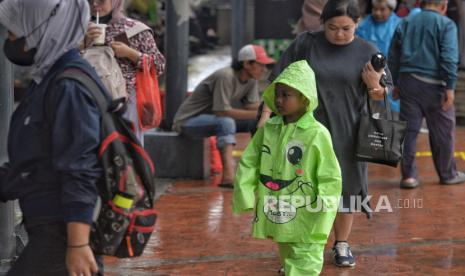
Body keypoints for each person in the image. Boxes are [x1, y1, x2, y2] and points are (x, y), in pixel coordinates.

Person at [266, 0, 392, 268]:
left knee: (346, 188)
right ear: (322, 23)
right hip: (305, 130)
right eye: (332, 27)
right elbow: (280, 79)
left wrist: (373, 85)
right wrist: (269, 116)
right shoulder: (305, 44)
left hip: (348, 131)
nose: (339, 34)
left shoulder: (367, 51)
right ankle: (302, 249)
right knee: (302, 187)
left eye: (346, 28)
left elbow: (383, 97)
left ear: (357, 24)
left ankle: (342, 243)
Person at [0, 0, 105, 275]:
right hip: (52, 231)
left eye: (14, 31)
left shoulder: (68, 86)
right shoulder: (48, 80)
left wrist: (78, 245)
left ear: (40, 28)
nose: (9, 39)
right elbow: (35, 161)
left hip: (62, 236)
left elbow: (81, 168)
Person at [233, 60, 342, 276]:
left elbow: (330, 176)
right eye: (277, 94)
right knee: (287, 250)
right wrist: (245, 195)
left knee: (306, 258)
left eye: (286, 95)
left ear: (304, 98)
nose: (279, 100)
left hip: (310, 211)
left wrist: (325, 208)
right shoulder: (270, 129)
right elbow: (249, 162)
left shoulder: (316, 133)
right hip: (279, 209)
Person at [172, 44, 275, 188]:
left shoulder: (252, 80)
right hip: (188, 122)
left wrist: (272, 109)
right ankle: (228, 177)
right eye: (260, 65)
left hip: (213, 120)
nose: (264, 70)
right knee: (226, 122)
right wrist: (264, 113)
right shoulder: (225, 76)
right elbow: (221, 111)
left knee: (257, 121)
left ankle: (259, 170)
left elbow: (251, 105)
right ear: (246, 63)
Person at [388, 0, 465, 189]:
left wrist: (395, 83)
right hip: (435, 86)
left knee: (409, 132)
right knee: (443, 132)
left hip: (408, 83)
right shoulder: (446, 24)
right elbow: (449, 56)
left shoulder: (405, 22)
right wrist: (450, 87)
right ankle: (448, 174)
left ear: (420, 4)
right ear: (443, 5)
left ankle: (409, 177)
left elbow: (393, 55)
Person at [84, 0, 165, 143]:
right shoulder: (79, 29)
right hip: (88, 100)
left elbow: (158, 65)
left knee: (128, 147)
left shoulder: (134, 29)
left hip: (125, 103)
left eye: (101, 1)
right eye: (90, 1)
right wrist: (83, 43)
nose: (95, 4)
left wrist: (131, 54)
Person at [356, 0, 401, 119]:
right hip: (367, 76)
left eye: (382, 9)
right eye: (374, 8)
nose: (377, 12)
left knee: (390, 120)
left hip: (391, 76)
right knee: (368, 118)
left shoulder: (399, 25)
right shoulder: (363, 25)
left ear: (391, 10)